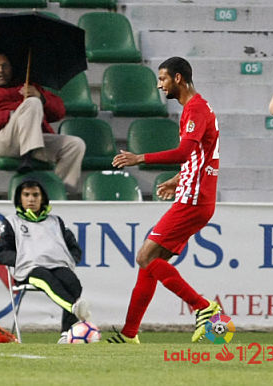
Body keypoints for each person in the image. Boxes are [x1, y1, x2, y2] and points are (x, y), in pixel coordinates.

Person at [108, 57, 221, 344]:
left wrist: (139, 158)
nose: (159, 85)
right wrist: (177, 179)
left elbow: (185, 151)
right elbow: (200, 155)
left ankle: (203, 307)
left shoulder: (194, 108)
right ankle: (129, 333)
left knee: (145, 256)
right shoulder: (199, 107)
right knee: (152, 262)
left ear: (178, 78)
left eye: (163, 79)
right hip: (194, 194)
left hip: (194, 200)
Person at [0, 53, 85, 192]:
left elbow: (59, 112)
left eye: (5, 66)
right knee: (32, 103)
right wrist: (12, 115)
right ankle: (27, 155)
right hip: (5, 142)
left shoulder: (30, 87)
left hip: (36, 140)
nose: (0, 70)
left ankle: (62, 192)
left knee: (75, 145)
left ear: (11, 68)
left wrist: (41, 97)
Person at [0, 179, 91, 344]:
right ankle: (74, 308)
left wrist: (70, 261)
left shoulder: (56, 222)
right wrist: (22, 259)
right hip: (29, 269)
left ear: (43, 198)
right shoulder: (12, 222)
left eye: (35, 195)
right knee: (44, 278)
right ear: (20, 199)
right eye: (26, 195)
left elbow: (74, 247)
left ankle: (66, 334)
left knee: (73, 283)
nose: (31, 199)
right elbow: (3, 253)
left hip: (57, 265)